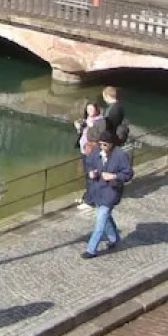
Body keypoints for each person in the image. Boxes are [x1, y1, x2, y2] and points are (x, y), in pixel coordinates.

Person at [80, 130, 134, 258]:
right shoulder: (96, 152)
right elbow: (89, 164)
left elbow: (128, 174)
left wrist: (114, 176)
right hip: (98, 190)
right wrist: (91, 172)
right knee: (105, 217)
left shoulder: (120, 155)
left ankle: (91, 249)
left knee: (100, 220)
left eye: (105, 145)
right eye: (101, 144)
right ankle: (114, 239)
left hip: (111, 191)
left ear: (111, 144)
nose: (102, 147)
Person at [74, 101, 104, 210]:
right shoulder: (87, 119)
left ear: (97, 109)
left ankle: (90, 202)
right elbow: (83, 134)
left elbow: (100, 135)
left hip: (93, 151)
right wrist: (79, 127)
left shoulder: (101, 121)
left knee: (92, 175)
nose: (89, 111)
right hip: (85, 150)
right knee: (87, 175)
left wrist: (91, 126)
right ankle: (87, 196)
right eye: (88, 109)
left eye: (92, 109)